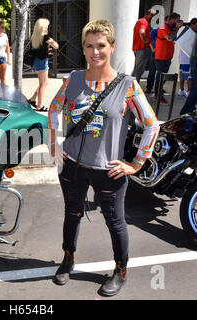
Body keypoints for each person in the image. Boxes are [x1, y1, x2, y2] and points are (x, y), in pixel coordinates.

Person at [48, 20, 160, 296]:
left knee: (115, 221)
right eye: (89, 46)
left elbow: (152, 124)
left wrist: (135, 164)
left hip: (108, 169)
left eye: (101, 46)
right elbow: (53, 109)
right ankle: (68, 259)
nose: (95, 52)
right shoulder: (72, 79)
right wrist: (54, 145)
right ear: (83, 49)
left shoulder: (128, 85)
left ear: (111, 47)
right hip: (72, 165)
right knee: (72, 214)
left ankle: (120, 270)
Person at [27, 18, 59, 112]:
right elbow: (56, 46)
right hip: (42, 62)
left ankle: (33, 99)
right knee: (43, 84)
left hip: (37, 61)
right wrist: (52, 41)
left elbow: (38, 49)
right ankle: (39, 106)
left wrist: (46, 50)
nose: (48, 27)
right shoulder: (45, 37)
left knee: (45, 82)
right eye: (47, 26)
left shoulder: (35, 36)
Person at [154, 12, 183, 104]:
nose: (178, 22)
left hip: (166, 57)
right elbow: (170, 38)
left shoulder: (170, 28)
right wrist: (177, 28)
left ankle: (159, 92)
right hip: (162, 57)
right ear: (172, 19)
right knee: (161, 76)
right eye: (177, 20)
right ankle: (158, 96)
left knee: (162, 76)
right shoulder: (163, 27)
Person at [132, 8, 157, 83]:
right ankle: (134, 89)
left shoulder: (141, 21)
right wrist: (145, 40)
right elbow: (142, 32)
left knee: (138, 69)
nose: (153, 17)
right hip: (141, 49)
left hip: (140, 48)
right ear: (149, 14)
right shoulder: (143, 21)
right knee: (139, 70)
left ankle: (132, 87)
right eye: (152, 16)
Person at [180, 19, 197, 115]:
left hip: (194, 59)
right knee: (195, 87)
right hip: (195, 60)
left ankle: (188, 110)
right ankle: (186, 111)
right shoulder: (189, 30)